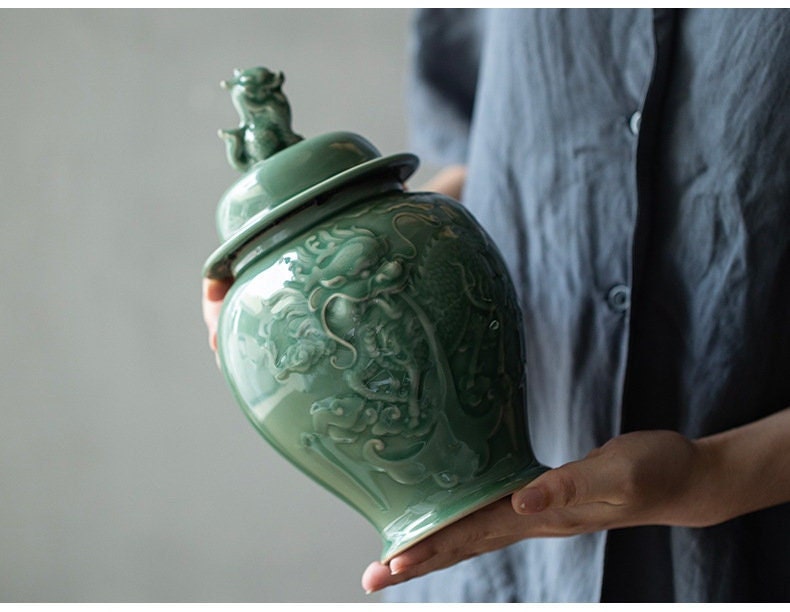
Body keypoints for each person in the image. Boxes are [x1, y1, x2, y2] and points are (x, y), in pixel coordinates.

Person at [203, 8, 790, 602]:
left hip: (741, 549)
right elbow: (477, 155)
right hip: (491, 571)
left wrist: (717, 477)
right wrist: (279, 301)